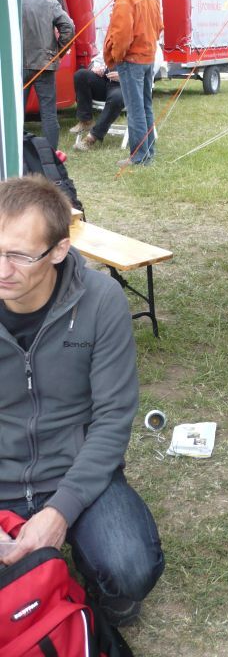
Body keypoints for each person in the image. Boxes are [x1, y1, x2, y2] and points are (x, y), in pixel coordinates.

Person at [0, 176, 164, 625]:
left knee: (130, 569)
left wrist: (60, 511)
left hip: (76, 471)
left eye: (18, 255)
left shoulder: (100, 301)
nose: (2, 269)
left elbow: (112, 419)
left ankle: (100, 591)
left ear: (58, 250)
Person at [103, 0, 162, 166]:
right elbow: (159, 27)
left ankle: (139, 156)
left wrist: (117, 57)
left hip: (131, 60)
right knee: (145, 106)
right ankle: (148, 152)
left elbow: (121, 35)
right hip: (148, 58)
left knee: (135, 109)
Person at [22, 0, 75, 150]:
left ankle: (14, 155)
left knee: (13, 112)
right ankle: (51, 155)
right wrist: (59, 53)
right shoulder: (49, 2)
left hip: (15, 67)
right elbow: (69, 28)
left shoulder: (7, 2)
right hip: (44, 64)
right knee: (48, 113)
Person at [71, 62, 125, 151]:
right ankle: (86, 121)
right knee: (81, 75)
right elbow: (97, 59)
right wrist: (96, 67)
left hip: (124, 85)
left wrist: (123, 76)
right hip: (105, 80)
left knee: (116, 98)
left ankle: (91, 138)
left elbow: (145, 73)